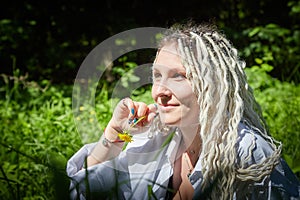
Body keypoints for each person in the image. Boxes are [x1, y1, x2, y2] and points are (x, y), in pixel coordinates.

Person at [67, 22, 300, 199]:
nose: (160, 91)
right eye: (157, 76)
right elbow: (80, 191)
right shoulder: (155, 138)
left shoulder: (249, 154)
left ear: (213, 84)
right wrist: (115, 134)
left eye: (179, 76)